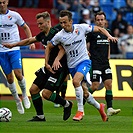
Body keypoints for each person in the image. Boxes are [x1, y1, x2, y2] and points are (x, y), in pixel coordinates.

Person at [45, 10, 118, 121]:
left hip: (84, 61)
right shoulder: (59, 35)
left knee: (75, 81)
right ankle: (100, 108)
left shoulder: (81, 28)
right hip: (72, 66)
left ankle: (80, 111)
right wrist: (50, 61)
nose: (63, 25)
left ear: (71, 21)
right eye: (61, 23)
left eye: (65, 22)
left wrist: (109, 36)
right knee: (85, 92)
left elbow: (100, 29)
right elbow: (49, 46)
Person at [3, 11, 72, 121]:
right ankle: (40, 116)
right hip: (48, 67)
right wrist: (13, 45)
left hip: (58, 69)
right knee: (33, 90)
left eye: (41, 23)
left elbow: (63, 49)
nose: (39, 26)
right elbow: (30, 40)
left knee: (46, 94)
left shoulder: (56, 34)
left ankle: (67, 104)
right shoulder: (43, 35)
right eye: (38, 24)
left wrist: (57, 60)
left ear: (48, 22)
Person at [0, 0, 35, 114]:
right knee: (9, 78)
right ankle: (17, 100)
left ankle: (24, 95)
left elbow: (25, 27)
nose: (1, 4)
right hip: (1, 51)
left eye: (3, 2)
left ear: (7, 2)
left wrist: (30, 41)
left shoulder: (14, 15)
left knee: (18, 75)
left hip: (14, 49)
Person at [86, 11, 121, 116]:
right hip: (95, 62)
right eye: (98, 20)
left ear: (105, 21)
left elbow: (108, 45)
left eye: (102, 20)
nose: (100, 22)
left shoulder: (108, 32)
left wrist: (108, 56)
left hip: (105, 63)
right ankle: (82, 101)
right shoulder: (91, 33)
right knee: (95, 86)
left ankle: (110, 108)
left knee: (109, 84)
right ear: (95, 21)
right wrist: (87, 52)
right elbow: (85, 43)